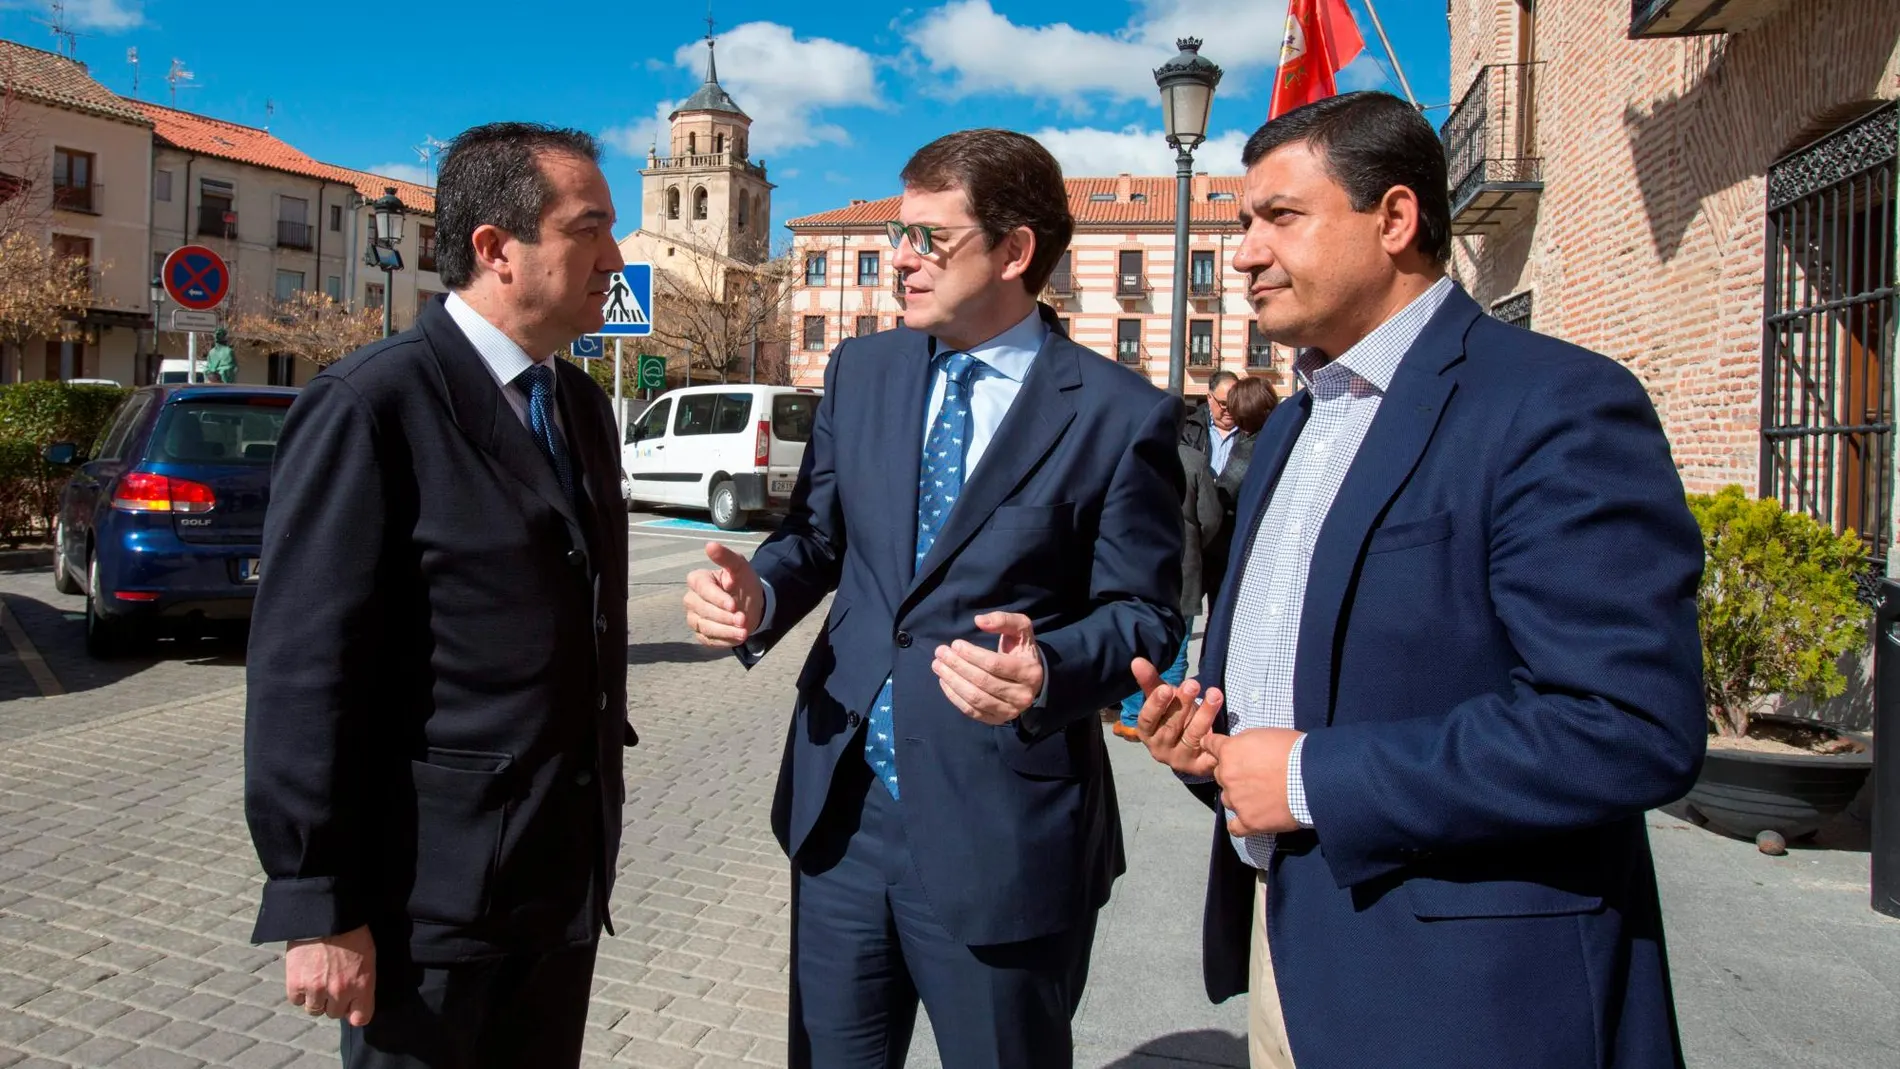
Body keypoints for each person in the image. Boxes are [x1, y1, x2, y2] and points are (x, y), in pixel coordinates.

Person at [1135, 91, 1704, 1069]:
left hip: (1467, 1000)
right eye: (1237, 224)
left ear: (1393, 219)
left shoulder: (1552, 405)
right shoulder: (1294, 427)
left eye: (1279, 217)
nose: (1243, 254)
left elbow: (1627, 726)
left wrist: (1311, 778)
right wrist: (1211, 746)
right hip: (1290, 954)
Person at [682, 129, 1185, 1069]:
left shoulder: (1121, 413)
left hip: (1002, 827)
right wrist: (758, 593)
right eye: (898, 235)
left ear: (1015, 251)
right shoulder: (860, 373)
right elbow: (819, 538)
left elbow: (1146, 614)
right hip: (842, 814)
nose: (900, 262)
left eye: (928, 240)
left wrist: (1050, 670)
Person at [244, 123, 634, 1069]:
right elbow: (306, 671)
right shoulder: (372, 404)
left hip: (557, 883)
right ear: (496, 249)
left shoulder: (578, 406)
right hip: (428, 905)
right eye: (589, 230)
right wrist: (317, 900)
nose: (616, 259)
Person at [1110, 442, 1221, 741]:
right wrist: (1195, 544)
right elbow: (1210, 519)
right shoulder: (1194, 461)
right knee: (1176, 646)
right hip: (1183, 566)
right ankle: (1164, 720)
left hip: (1135, 567)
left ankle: (1133, 718)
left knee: (1136, 645)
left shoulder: (1127, 454)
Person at [1180, 369, 1237, 455]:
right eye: (1223, 403)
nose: (1230, 409)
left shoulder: (1251, 431)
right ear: (1209, 398)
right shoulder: (1189, 429)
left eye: (1235, 402)